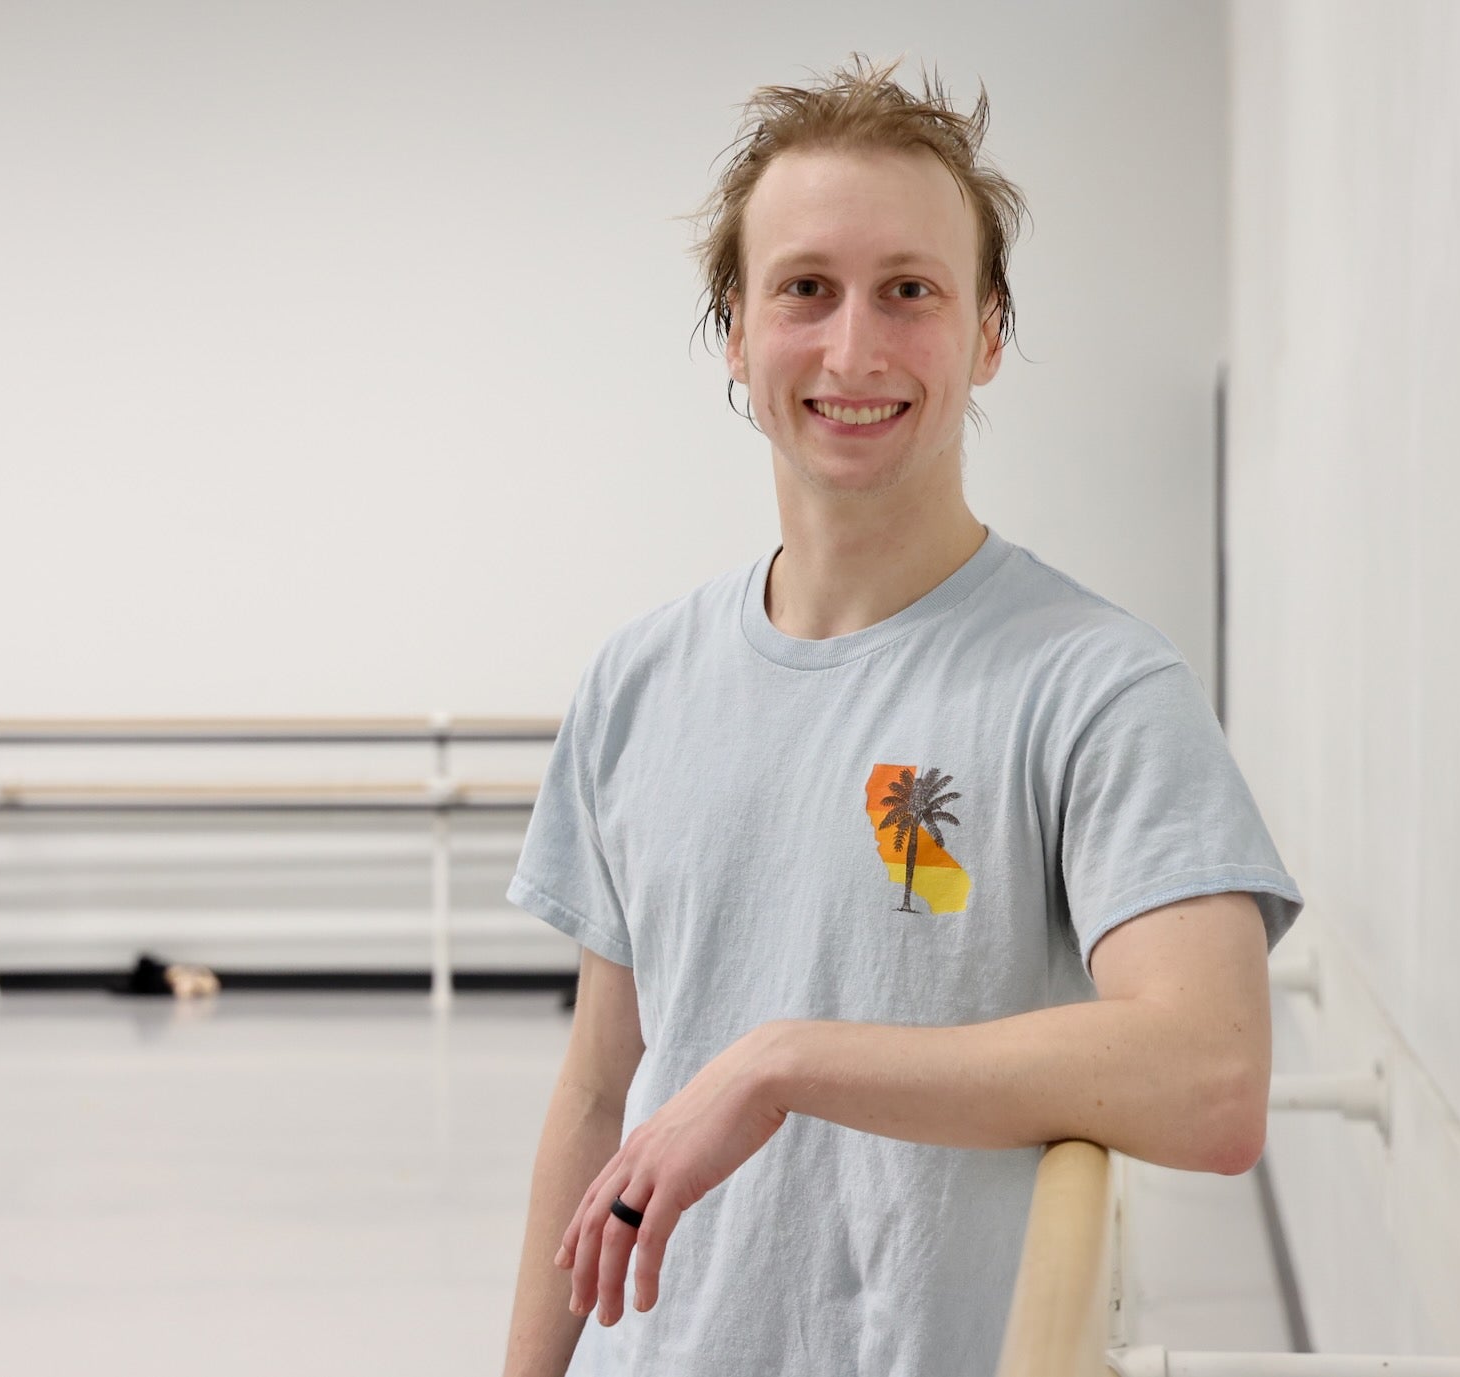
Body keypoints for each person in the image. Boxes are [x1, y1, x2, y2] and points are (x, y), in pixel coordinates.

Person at [500, 54, 1302, 1377]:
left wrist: (788, 1062)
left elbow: (1212, 1076)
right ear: (738, 334)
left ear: (989, 331)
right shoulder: (637, 683)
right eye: (805, 289)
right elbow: (597, 1090)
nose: (855, 349)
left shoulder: (1092, 683)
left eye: (910, 292)